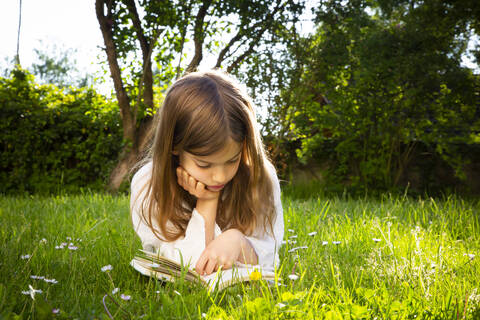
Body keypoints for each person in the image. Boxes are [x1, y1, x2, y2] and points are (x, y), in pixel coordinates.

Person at [130, 69, 283, 276]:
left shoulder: (260, 178)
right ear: (174, 146)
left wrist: (238, 241)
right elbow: (183, 266)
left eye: (232, 160)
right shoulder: (148, 185)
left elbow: (269, 259)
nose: (220, 176)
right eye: (204, 165)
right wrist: (208, 202)